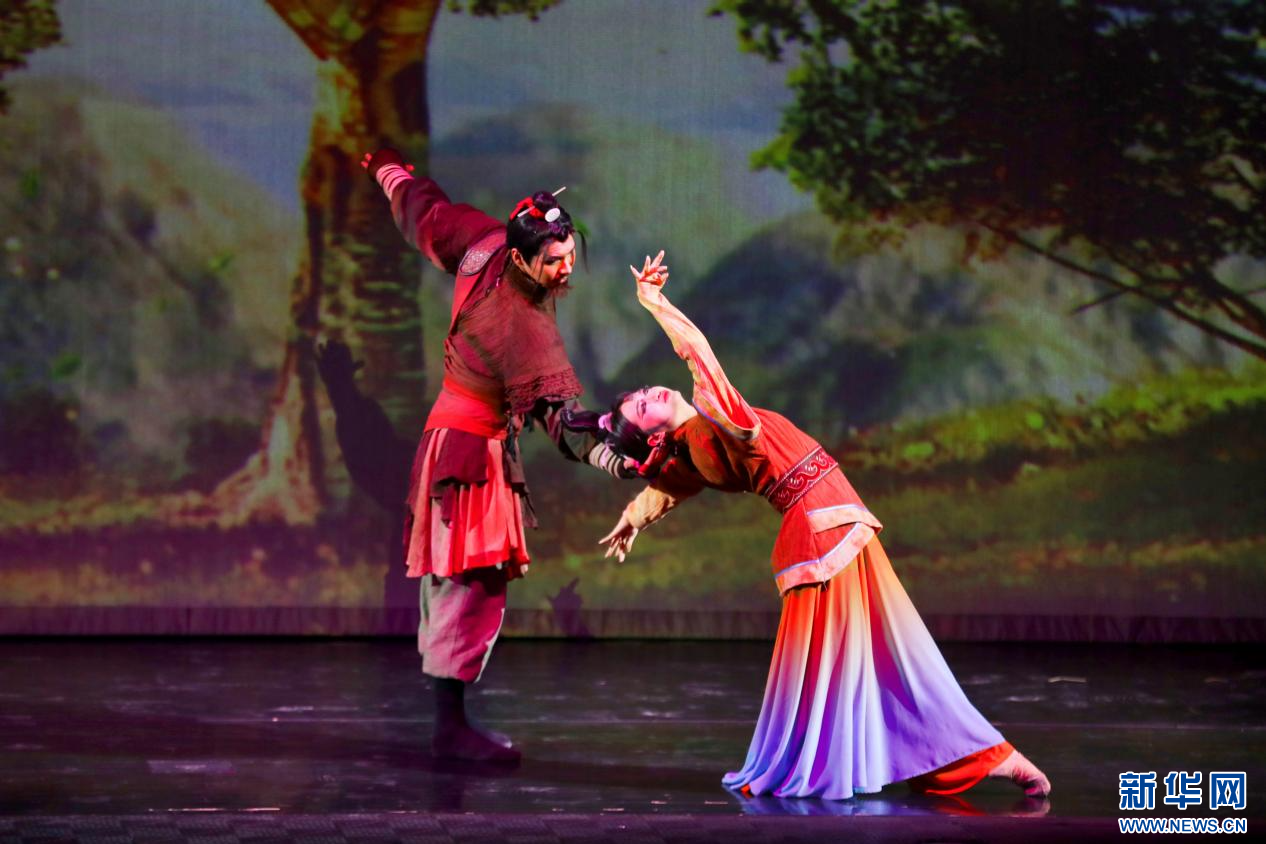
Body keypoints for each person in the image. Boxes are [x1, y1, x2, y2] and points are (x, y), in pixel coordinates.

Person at [597, 252, 1051, 800]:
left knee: (880, 652)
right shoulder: (713, 427)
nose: (649, 394)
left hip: (827, 522)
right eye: (641, 407)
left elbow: (669, 487)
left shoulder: (693, 449)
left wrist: (632, 518)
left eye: (642, 392)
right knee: (876, 655)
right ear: (652, 436)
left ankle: (962, 756)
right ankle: (968, 757)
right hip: (822, 526)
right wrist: (655, 303)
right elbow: (700, 357)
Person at [361, 149, 630, 764]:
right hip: (470, 455)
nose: (565, 269)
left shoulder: (483, 240)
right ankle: (450, 729)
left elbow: (426, 214)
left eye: (569, 256)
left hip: (452, 438)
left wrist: (389, 173)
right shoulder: (520, 323)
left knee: (458, 584)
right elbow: (560, 421)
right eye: (553, 261)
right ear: (522, 258)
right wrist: (620, 457)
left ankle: (449, 723)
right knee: (469, 587)